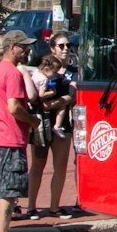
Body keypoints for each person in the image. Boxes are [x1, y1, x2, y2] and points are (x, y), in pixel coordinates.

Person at [0, 29, 39, 232]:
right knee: (9, 190)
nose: (26, 51)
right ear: (10, 48)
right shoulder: (12, 73)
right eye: (22, 46)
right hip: (9, 136)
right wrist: (32, 120)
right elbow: (14, 107)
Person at [24, 51, 74, 219]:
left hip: (62, 124)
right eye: (61, 45)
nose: (65, 49)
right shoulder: (40, 75)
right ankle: (31, 207)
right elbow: (36, 98)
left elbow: (72, 96)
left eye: (68, 45)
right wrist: (53, 102)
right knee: (38, 164)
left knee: (60, 166)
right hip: (42, 123)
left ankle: (55, 206)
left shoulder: (70, 72)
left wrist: (58, 102)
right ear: (52, 49)